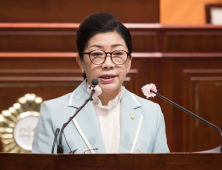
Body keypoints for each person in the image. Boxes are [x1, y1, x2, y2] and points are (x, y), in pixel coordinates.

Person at [32, 13, 169, 154]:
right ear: (81, 62)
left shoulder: (151, 113)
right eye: (97, 54)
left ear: (129, 62)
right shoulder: (53, 112)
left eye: (117, 53)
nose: (108, 64)